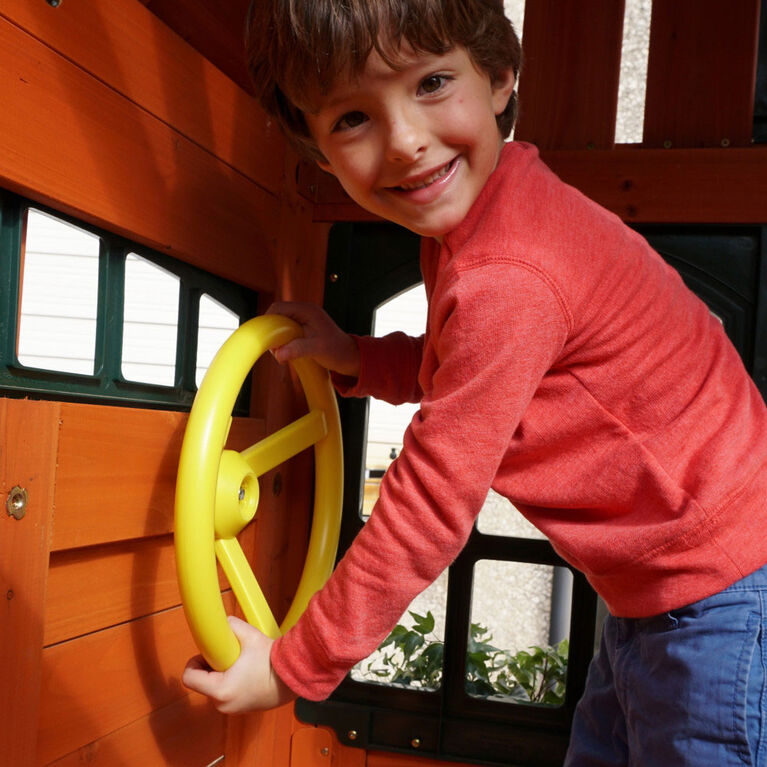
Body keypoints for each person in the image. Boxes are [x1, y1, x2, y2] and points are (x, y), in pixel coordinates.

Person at [183, 1, 767, 764]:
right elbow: (472, 370)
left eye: (430, 82)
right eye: (352, 118)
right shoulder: (492, 214)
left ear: (498, 76)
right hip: (662, 590)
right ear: (318, 148)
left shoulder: (509, 272)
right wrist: (359, 358)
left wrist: (293, 664)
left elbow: (430, 502)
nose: (404, 143)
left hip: (721, 595)